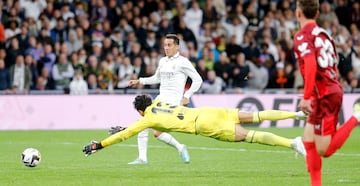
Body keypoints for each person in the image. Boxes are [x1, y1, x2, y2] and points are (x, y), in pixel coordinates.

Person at [82, 94, 307, 158]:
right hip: (208, 110)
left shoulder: (147, 119)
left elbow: (131, 133)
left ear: (141, 111)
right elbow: (149, 126)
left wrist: (99, 145)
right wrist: (126, 128)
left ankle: (292, 143)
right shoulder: (159, 103)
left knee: (252, 136)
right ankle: (296, 113)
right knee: (256, 115)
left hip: (205, 124)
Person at [293, 1, 360, 185]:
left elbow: (311, 64)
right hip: (328, 89)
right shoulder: (324, 34)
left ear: (298, 13)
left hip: (324, 94)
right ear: (316, 13)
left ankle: (357, 116)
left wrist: (306, 97)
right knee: (308, 139)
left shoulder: (302, 36)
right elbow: (333, 63)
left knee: (325, 150)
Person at [125, 34, 203, 164]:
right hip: (160, 100)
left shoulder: (183, 62)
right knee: (149, 129)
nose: (166, 48)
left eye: (169, 45)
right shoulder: (162, 61)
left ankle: (176, 148)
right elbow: (156, 78)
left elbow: (198, 80)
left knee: (147, 126)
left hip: (173, 103)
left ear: (177, 46)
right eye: (165, 45)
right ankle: (145, 157)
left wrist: (187, 96)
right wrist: (139, 80)